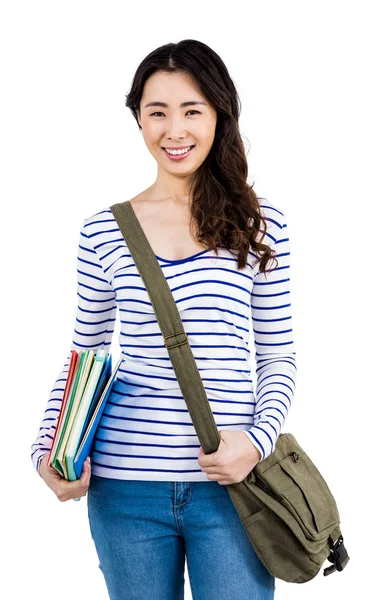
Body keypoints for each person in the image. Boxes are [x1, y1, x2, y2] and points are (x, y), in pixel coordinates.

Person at [31, 39, 297, 600]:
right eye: (157, 112)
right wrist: (46, 449)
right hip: (124, 490)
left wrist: (255, 440)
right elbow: (85, 355)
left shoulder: (260, 224)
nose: (174, 130)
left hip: (231, 488)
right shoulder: (103, 230)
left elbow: (277, 356)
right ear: (139, 119)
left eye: (191, 110)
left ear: (219, 115)